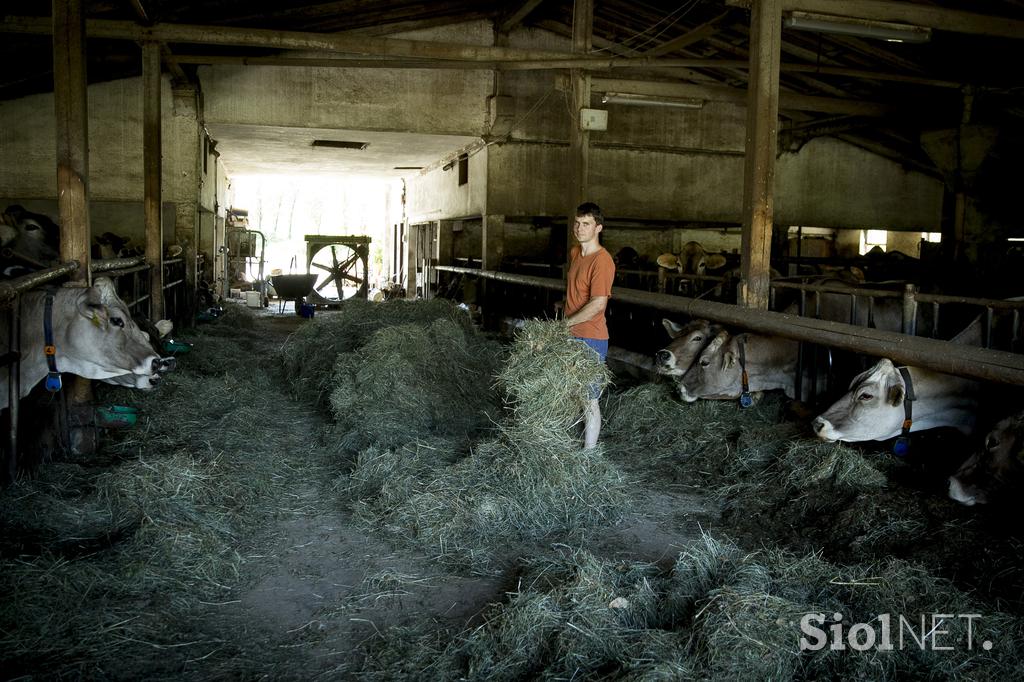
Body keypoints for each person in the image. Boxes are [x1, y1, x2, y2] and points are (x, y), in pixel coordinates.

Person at [562, 202, 615, 449]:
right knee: (570, 392)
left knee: (588, 398)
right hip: (570, 333)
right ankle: (570, 444)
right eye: (577, 222)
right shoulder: (575, 253)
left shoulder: (602, 261)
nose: (579, 228)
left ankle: (589, 455)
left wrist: (566, 324)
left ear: (598, 228)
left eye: (586, 224)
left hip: (590, 338)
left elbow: (598, 304)